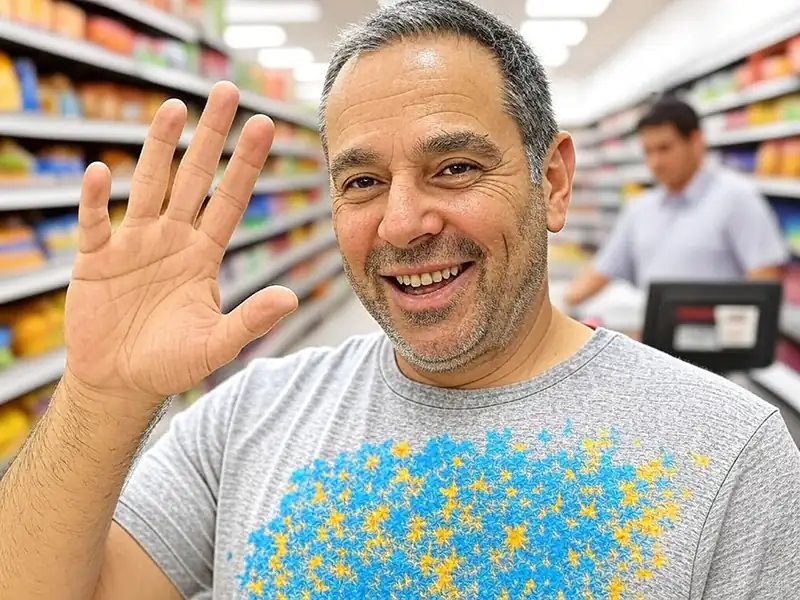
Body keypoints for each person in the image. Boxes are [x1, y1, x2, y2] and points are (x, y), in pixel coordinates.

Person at [1, 1, 799, 599]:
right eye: (362, 182)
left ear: (551, 181)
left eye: (454, 167)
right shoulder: (246, 421)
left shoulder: (731, 453)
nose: (403, 223)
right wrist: (100, 393)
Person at [565, 97, 789, 308]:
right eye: (648, 152)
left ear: (696, 142)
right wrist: (560, 305)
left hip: (718, 344)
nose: (655, 162)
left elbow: (764, 282)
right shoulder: (640, 208)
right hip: (652, 342)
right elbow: (601, 270)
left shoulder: (737, 198)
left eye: (664, 148)